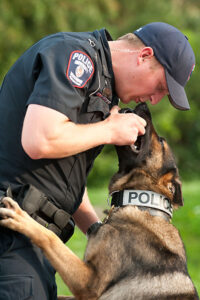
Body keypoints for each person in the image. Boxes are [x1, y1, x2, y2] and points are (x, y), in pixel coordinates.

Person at [0, 22, 195, 300]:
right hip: (11, 231)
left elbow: (67, 182)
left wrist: (100, 233)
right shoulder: (76, 57)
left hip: (32, 245)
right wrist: (110, 130)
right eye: (161, 87)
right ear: (144, 56)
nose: (154, 99)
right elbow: (39, 140)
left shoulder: (102, 89)